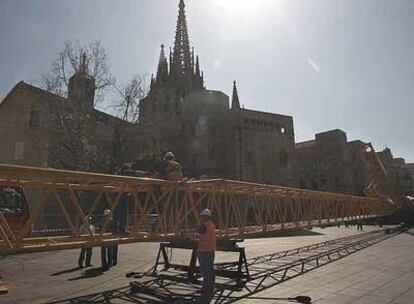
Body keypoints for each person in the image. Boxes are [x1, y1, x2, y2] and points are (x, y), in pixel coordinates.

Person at [197, 208, 216, 303]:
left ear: (206, 216)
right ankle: (210, 287)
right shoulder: (211, 224)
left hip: (204, 250)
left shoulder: (203, 225)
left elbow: (198, 232)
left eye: (202, 216)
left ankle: (206, 289)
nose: (201, 217)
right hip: (211, 250)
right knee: (210, 269)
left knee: (205, 271)